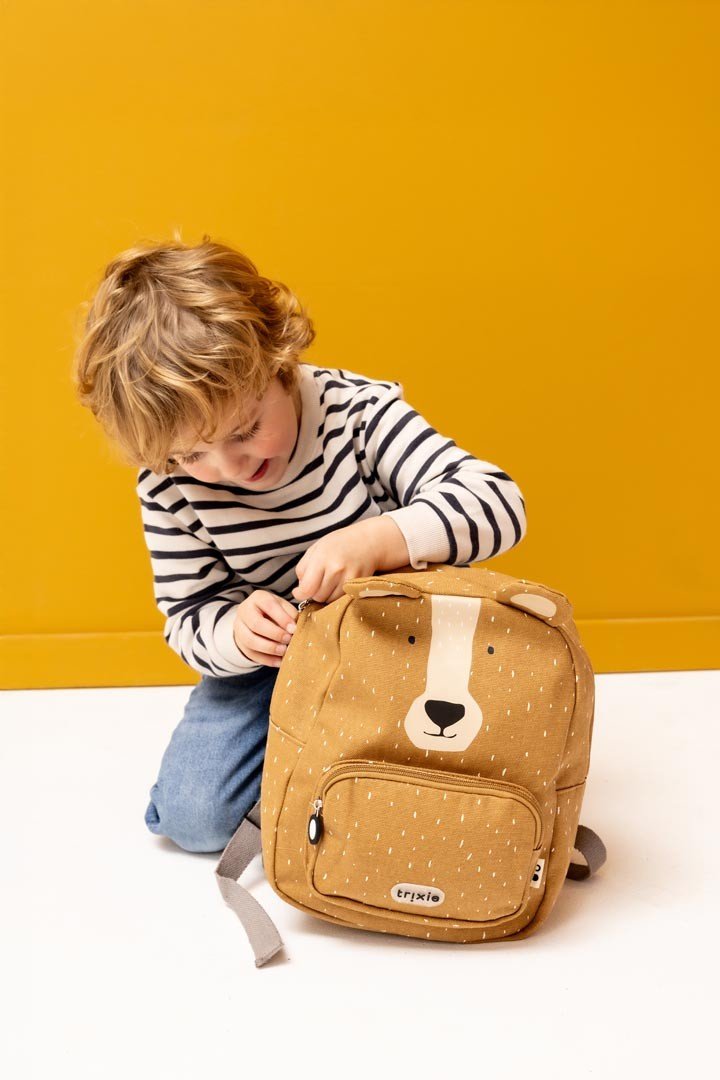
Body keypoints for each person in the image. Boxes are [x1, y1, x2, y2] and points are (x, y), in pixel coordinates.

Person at [72, 234, 528, 854]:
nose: (228, 467)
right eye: (190, 454)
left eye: (245, 429)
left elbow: (498, 503)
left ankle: (357, 770)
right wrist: (235, 632)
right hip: (270, 667)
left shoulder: (357, 413)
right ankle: (327, 769)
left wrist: (380, 538)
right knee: (194, 817)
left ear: (276, 361)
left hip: (399, 641)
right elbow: (187, 617)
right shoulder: (166, 483)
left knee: (473, 765)